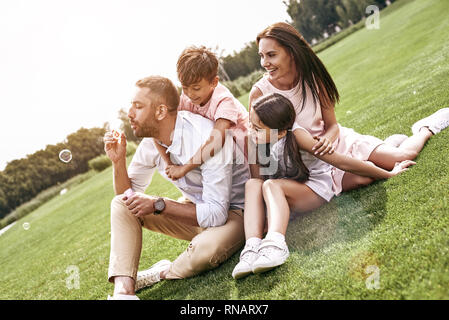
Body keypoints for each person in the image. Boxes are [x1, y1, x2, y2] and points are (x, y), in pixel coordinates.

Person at [250, 22, 449, 196]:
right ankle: (387, 145)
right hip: (308, 165)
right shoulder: (260, 93)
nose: (264, 63)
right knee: (364, 178)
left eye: (271, 55)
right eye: (261, 56)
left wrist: (326, 141)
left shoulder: (312, 78)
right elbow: (256, 143)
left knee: (403, 158)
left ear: (291, 52)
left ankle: (425, 128)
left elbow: (333, 125)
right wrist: (262, 183)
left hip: (334, 145)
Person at [232, 93, 415, 279]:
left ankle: (275, 244)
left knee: (272, 185)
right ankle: (252, 248)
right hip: (288, 191)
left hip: (314, 189)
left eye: (257, 129)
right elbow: (258, 183)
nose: (251, 132)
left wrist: (389, 174)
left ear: (279, 132)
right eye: (251, 126)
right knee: (253, 184)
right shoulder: (256, 141)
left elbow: (341, 162)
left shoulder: (297, 136)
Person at [104, 75, 249, 299]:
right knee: (122, 204)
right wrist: (118, 161)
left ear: (161, 111)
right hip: (197, 212)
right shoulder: (150, 144)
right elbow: (126, 197)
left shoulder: (204, 137)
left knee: (206, 251)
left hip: (236, 213)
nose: (130, 114)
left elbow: (218, 215)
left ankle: (160, 272)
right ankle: (124, 292)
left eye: (138, 106)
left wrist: (158, 204)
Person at [154, 46, 249, 181]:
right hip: (223, 162)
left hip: (248, 157)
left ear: (214, 82)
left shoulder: (224, 101)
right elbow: (156, 128)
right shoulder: (185, 99)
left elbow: (217, 139)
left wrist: (184, 168)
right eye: (185, 88)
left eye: (196, 88)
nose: (190, 94)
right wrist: (169, 164)